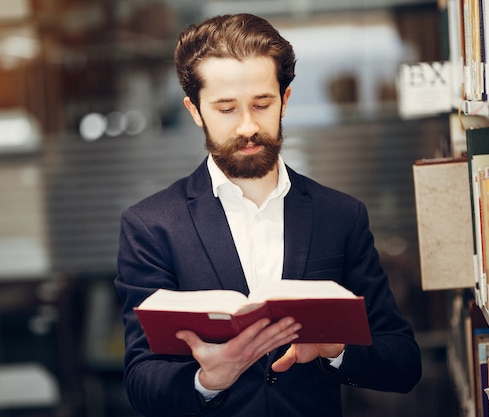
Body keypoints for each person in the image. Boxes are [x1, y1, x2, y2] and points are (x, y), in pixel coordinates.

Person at [114, 13, 421, 417]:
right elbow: (141, 381)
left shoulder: (340, 215)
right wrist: (207, 380)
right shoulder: (151, 226)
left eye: (262, 104)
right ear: (195, 111)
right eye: (226, 109)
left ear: (285, 101)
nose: (247, 126)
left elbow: (403, 362)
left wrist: (337, 352)